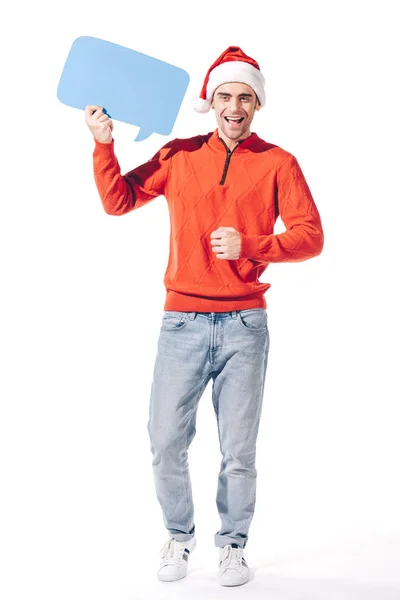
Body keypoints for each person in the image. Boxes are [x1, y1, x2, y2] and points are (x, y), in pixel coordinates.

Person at [85, 45, 324, 587]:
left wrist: (251, 245)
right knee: (166, 439)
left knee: (238, 450)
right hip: (181, 324)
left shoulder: (279, 163)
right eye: (224, 95)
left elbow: (311, 236)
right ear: (210, 102)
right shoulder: (178, 156)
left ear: (257, 104)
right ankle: (178, 536)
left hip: (246, 326)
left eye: (245, 97)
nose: (234, 106)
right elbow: (118, 201)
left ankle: (233, 546)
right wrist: (105, 146)